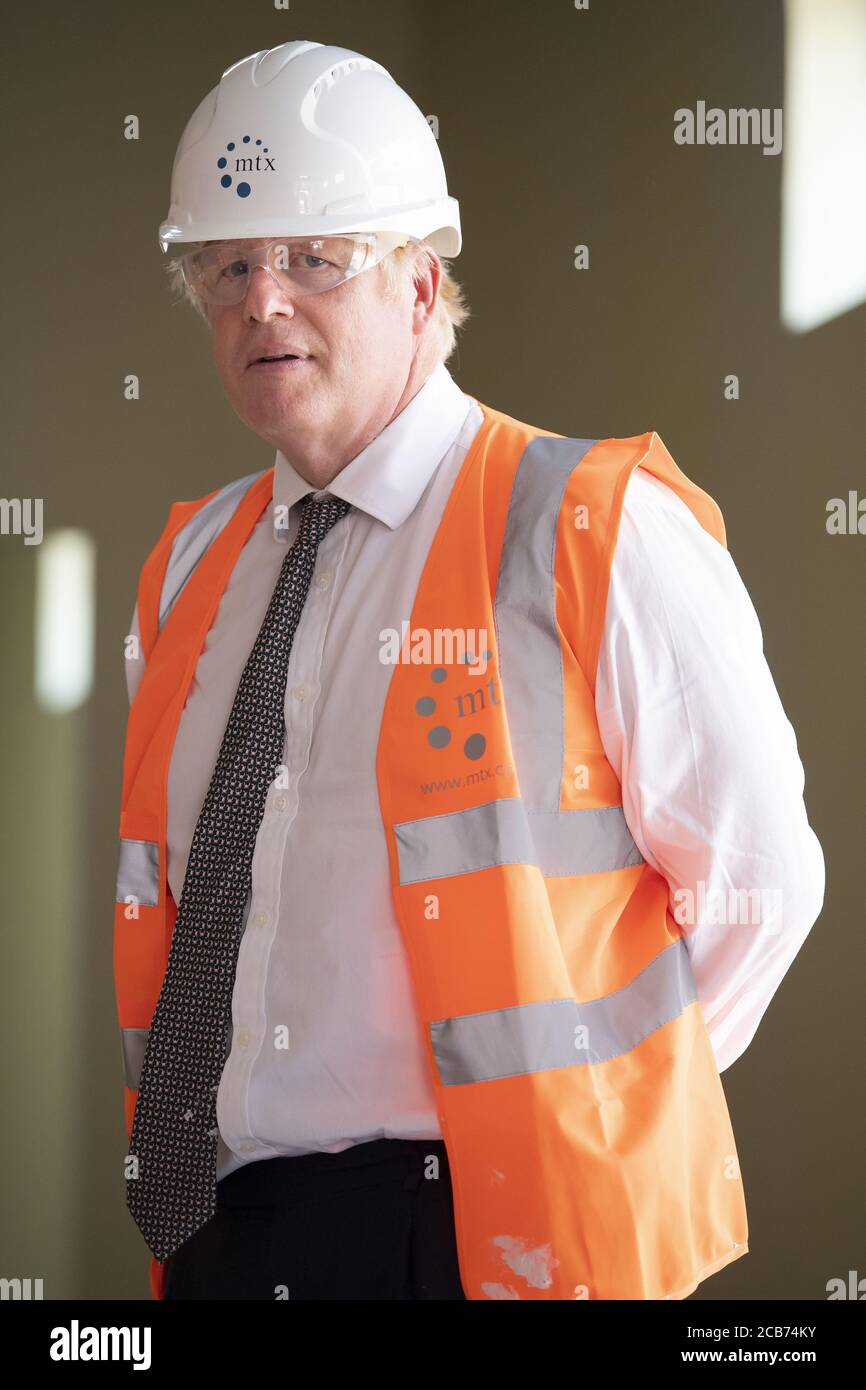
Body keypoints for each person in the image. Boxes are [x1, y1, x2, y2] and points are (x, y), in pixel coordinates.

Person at [114, 39, 825, 1301]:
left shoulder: (589, 526)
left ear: (420, 284)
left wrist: (587, 1121)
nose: (261, 302)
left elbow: (757, 884)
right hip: (227, 1229)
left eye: (313, 259)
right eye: (226, 268)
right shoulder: (187, 572)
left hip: (498, 1236)